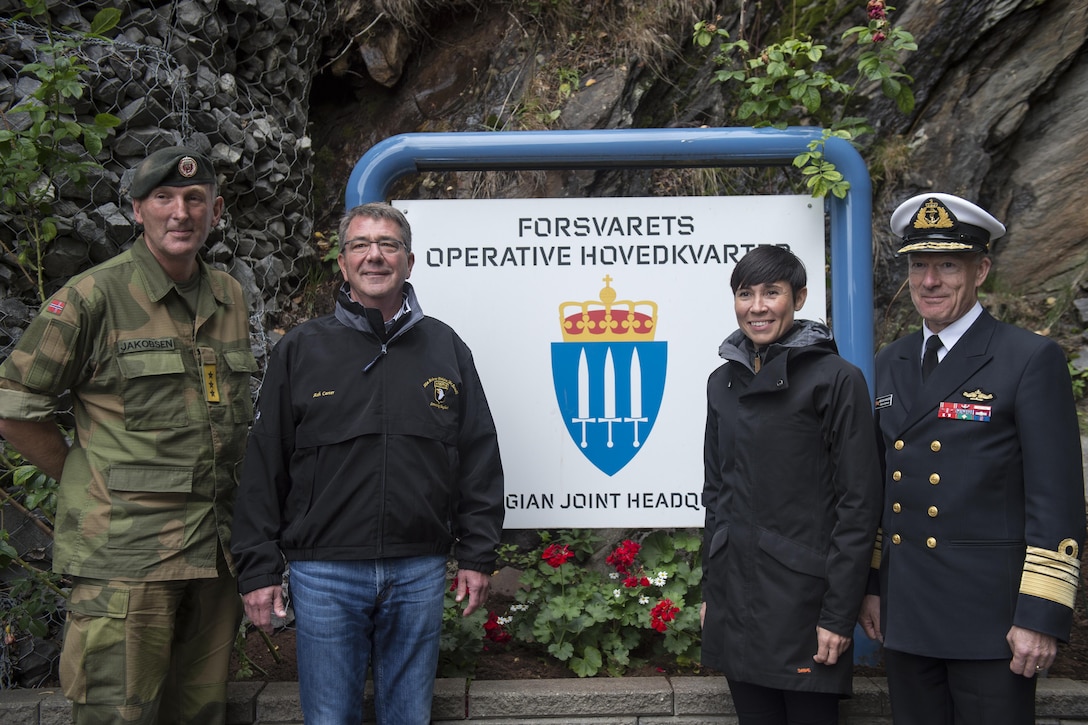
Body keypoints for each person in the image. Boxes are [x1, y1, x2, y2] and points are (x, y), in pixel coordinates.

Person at [0, 146, 255, 724]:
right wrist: (79, 476)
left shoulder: (228, 297)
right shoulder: (93, 297)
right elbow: (14, 408)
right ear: (137, 211)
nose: (180, 213)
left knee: (202, 714)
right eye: (164, 198)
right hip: (126, 558)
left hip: (214, 556)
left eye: (195, 199)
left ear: (215, 211)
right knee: (118, 716)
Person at [231, 201, 505, 724]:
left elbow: (478, 457)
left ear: (409, 261)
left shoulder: (446, 347)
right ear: (342, 263)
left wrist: (476, 555)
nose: (374, 256)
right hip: (324, 571)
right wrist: (258, 568)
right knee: (330, 717)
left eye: (388, 245)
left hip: (418, 568)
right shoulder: (301, 349)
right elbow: (265, 464)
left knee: (408, 716)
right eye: (360, 245)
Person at [858, 193, 1086, 725]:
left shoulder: (1028, 359)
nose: (929, 281)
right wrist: (871, 586)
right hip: (907, 612)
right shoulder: (889, 363)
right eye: (918, 265)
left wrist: (1042, 614)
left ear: (980, 270)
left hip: (993, 621)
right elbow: (882, 489)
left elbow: (1056, 499)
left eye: (946, 265)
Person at [700, 245, 882, 725]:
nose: (757, 306)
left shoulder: (838, 380)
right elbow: (716, 496)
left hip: (805, 609)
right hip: (735, 605)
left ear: (798, 299)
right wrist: (711, 593)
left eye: (772, 293)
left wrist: (838, 615)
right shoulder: (721, 383)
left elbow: (859, 505)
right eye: (745, 293)